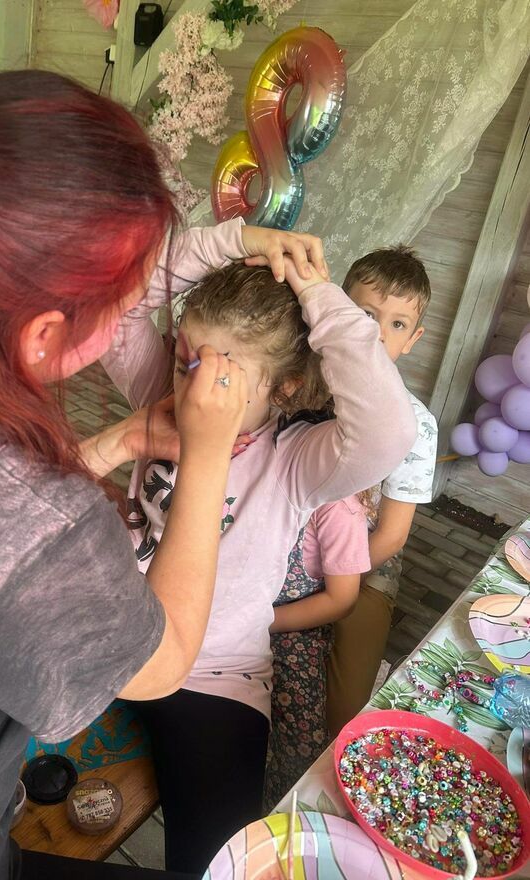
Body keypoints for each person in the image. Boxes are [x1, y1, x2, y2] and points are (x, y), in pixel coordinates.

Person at [0, 69, 323, 880]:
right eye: (123, 307)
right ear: (45, 335)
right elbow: (161, 658)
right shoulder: (34, 517)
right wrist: (207, 453)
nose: (134, 331)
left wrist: (116, 441)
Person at [101, 254, 417, 872]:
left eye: (223, 380)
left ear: (284, 387)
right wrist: (237, 238)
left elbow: (389, 430)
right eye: (185, 363)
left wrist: (315, 289)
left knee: (220, 862)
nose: (192, 391)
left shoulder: (296, 460)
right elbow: (119, 301)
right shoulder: (159, 400)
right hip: (111, 636)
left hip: (214, 676)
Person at [326, 245, 438, 736]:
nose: (376, 332)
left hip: (366, 566)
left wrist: (330, 581)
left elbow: (391, 535)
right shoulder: (301, 388)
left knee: (345, 707)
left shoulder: (417, 425)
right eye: (366, 314)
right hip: (283, 546)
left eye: (396, 324)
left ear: (413, 339)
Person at [263, 491, 372, 810]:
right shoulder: (261, 478)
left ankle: (279, 811)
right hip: (237, 609)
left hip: (293, 623)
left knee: (302, 739)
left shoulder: (339, 508)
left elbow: (341, 600)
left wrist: (260, 622)